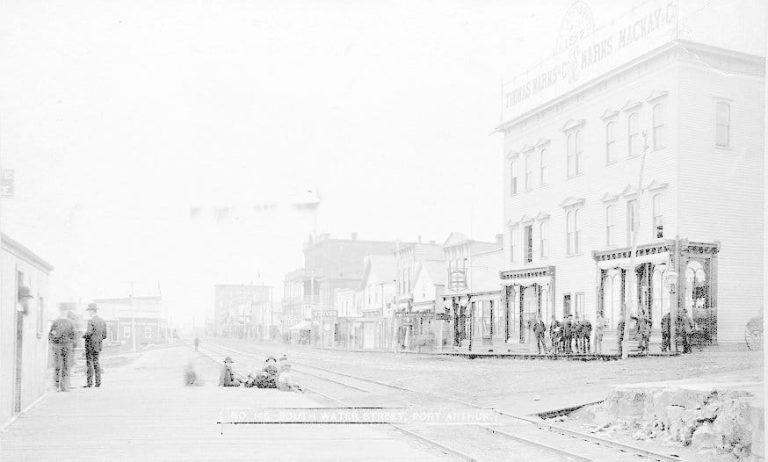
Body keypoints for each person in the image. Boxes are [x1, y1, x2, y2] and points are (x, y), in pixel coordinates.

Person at [49, 306, 76, 392]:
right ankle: (65, 387)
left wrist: (53, 342)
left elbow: (51, 334)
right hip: (67, 346)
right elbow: (74, 335)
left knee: (57, 366)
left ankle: (57, 386)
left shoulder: (56, 322)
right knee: (66, 366)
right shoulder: (70, 323)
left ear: (60, 312)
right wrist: (71, 344)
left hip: (58, 346)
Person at [83, 303, 108, 388]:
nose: (89, 313)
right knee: (97, 363)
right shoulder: (102, 321)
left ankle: (89, 383)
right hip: (98, 345)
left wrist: (83, 335)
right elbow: (105, 335)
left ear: (92, 311)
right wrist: (98, 339)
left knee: (89, 363)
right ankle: (98, 383)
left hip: (90, 345)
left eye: (89, 311)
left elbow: (89, 332)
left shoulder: (91, 321)